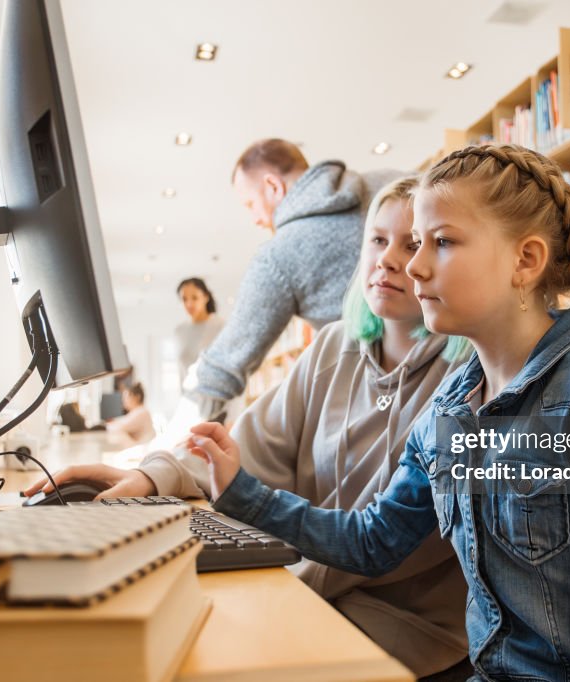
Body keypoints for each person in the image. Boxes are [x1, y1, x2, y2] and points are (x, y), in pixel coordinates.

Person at [186, 145, 570, 680]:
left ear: (526, 260)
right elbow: (372, 542)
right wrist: (240, 492)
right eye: (418, 242)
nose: (413, 266)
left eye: (441, 243)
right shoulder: (446, 413)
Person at [25, 177, 472, 678]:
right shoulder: (332, 348)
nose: (390, 259)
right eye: (377, 239)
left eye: (413, 244)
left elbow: (389, 543)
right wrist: (155, 476)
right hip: (312, 586)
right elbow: (243, 446)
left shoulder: (468, 376)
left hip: (406, 620)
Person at [190, 138, 401, 419]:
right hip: (462, 377)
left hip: (386, 407)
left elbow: (223, 369)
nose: (254, 218)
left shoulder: (278, 256)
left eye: (251, 204)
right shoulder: (393, 184)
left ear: (273, 186)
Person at [174, 277, 224, 390]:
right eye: (184, 299)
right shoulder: (179, 331)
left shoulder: (220, 326)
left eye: (194, 298)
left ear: (206, 297)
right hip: (190, 400)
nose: (189, 304)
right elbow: (182, 373)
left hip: (217, 398)